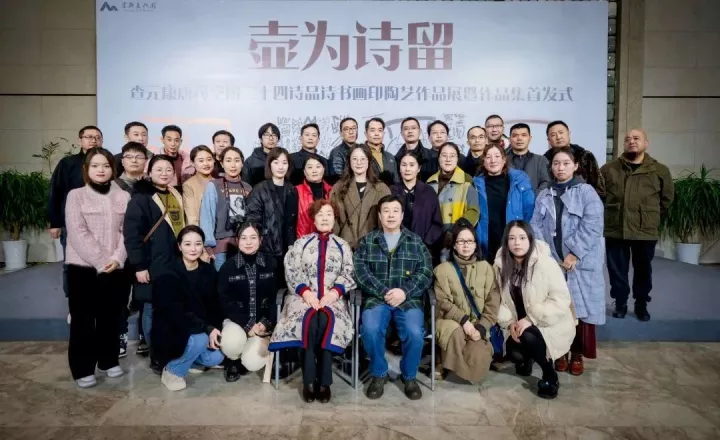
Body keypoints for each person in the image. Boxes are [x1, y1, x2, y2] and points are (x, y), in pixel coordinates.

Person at [270, 200, 356, 403]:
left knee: (326, 322)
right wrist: (307, 293)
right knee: (308, 323)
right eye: (320, 214)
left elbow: (349, 272)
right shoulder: (301, 243)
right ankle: (309, 381)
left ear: (335, 219)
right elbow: (292, 270)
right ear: (313, 219)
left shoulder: (342, 245)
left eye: (329, 214)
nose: (325, 218)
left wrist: (333, 294)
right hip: (302, 297)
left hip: (332, 298)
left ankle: (324, 382)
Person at [531, 147, 605, 375]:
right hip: (553, 261)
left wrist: (574, 253)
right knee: (558, 308)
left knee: (579, 310)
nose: (560, 168)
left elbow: (593, 225)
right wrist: (547, 255)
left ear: (575, 166)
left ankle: (577, 354)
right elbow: (535, 225)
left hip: (580, 263)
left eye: (565, 163)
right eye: (556, 164)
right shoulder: (545, 195)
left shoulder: (587, 192)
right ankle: (560, 352)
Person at [354, 195, 433, 401]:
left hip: (409, 298)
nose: (391, 215)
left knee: (415, 333)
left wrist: (404, 291)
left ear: (402, 215)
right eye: (386, 211)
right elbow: (360, 272)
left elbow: (425, 271)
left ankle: (409, 376)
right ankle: (379, 373)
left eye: (395, 211)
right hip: (377, 298)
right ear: (380, 216)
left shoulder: (415, 241)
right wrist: (383, 292)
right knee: (370, 329)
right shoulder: (368, 241)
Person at [64, 147, 129, 388]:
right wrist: (102, 261)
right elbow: (77, 232)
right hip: (83, 267)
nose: (101, 170)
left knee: (110, 317)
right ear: (86, 169)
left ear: (112, 169)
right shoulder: (76, 196)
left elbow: (127, 232)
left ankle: (108, 360)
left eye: (105, 165)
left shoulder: (123, 196)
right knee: (83, 319)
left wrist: (118, 258)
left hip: (116, 266)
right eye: (95, 165)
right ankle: (82, 368)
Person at [494, 221, 576, 399]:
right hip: (517, 322)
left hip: (548, 322)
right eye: (512, 238)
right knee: (514, 354)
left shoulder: (546, 263)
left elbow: (561, 299)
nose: (517, 243)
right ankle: (528, 358)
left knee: (528, 336)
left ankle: (549, 375)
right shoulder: (501, 265)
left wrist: (530, 319)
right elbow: (500, 300)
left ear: (530, 239)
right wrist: (509, 323)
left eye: (522, 238)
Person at [601, 129, 674, 321]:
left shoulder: (659, 170)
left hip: (645, 229)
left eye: (636, 138)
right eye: (628, 139)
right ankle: (620, 303)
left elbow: (666, 199)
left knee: (643, 269)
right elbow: (600, 196)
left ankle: (641, 304)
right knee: (617, 270)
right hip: (616, 228)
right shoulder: (609, 169)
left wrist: (649, 216)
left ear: (646, 143)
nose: (631, 141)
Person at [124, 154, 185, 374]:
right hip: (151, 263)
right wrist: (139, 265)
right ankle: (156, 355)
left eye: (168, 169)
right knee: (151, 309)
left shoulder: (175, 194)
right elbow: (132, 235)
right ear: (149, 173)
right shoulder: (141, 198)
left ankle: (170, 350)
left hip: (174, 262)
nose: (164, 173)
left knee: (171, 308)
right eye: (159, 169)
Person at [152, 226, 224, 391]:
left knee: (216, 357)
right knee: (199, 339)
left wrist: (214, 329)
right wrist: (205, 329)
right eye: (187, 244)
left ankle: (190, 360)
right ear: (179, 246)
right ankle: (172, 371)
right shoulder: (167, 272)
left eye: (198, 244)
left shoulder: (208, 270)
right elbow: (174, 312)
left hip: (198, 328)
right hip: (173, 330)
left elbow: (214, 305)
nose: (193, 249)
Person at [434, 220, 500, 383]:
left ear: (476, 245)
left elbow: (492, 303)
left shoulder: (486, 268)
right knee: (456, 334)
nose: (465, 245)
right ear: (454, 245)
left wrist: (482, 327)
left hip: (478, 321)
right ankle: (443, 363)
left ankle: (458, 364)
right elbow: (443, 302)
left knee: (478, 355)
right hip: (450, 321)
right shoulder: (442, 270)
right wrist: (463, 321)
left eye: (470, 241)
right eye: (461, 241)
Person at [217, 222, 278, 382]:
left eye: (253, 237)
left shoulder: (271, 263)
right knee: (231, 343)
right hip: (237, 321)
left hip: (262, 324)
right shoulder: (227, 267)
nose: (248, 242)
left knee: (252, 362)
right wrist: (247, 323)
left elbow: (275, 298)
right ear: (237, 241)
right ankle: (232, 361)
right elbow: (224, 301)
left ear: (260, 240)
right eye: (244, 238)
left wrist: (265, 322)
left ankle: (246, 357)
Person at [48, 125, 104, 300]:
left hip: (102, 222)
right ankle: (74, 301)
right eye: (89, 137)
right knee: (73, 263)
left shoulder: (107, 163)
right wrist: (55, 223)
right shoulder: (68, 163)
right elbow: (56, 192)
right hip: (73, 222)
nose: (93, 140)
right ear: (80, 140)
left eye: (97, 137)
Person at [113, 141, 149, 358]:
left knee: (145, 294)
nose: (134, 160)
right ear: (122, 160)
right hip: (120, 249)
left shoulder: (151, 185)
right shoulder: (113, 186)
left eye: (139, 157)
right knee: (121, 296)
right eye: (129, 156)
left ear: (146, 161)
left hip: (146, 250)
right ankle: (120, 336)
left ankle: (146, 336)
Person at [474, 143, 535, 261]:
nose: (493, 160)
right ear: (483, 161)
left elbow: (530, 210)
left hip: (514, 241)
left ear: (504, 160)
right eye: (488, 157)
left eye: (497, 156)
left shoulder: (519, 180)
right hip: (487, 242)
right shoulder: (476, 184)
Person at [246, 147, 297, 284]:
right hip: (266, 250)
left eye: (284, 162)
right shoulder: (259, 189)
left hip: (288, 249)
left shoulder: (292, 189)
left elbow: (292, 222)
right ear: (269, 165)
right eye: (276, 162)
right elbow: (252, 220)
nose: (281, 166)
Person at [200, 147, 252, 271]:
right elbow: (207, 216)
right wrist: (208, 246)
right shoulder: (214, 185)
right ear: (222, 164)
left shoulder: (248, 188)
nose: (233, 165)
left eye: (237, 160)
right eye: (228, 160)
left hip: (245, 245)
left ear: (242, 163)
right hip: (221, 248)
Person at [329, 145, 391, 249]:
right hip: (345, 246)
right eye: (354, 159)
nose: (359, 162)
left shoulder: (381, 188)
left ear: (369, 161)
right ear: (349, 162)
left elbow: (387, 221)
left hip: (373, 246)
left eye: (363, 159)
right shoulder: (338, 187)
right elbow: (333, 220)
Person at [390, 151, 443, 250]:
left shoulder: (429, 192)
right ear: (399, 168)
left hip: (423, 248)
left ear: (419, 168)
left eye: (412, 165)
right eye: (404, 165)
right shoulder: (392, 191)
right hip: (396, 248)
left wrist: (425, 244)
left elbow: (437, 223)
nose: (407, 169)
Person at [427, 142, 480, 231]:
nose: (448, 159)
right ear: (439, 158)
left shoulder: (466, 180)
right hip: (433, 236)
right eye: (444, 155)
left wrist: (457, 230)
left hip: (458, 234)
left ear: (457, 159)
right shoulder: (430, 183)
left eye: (452, 156)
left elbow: (473, 211)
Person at [544, 120, 605, 197]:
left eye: (561, 132)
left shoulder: (585, 155)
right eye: (553, 135)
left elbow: (598, 186)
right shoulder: (544, 160)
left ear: (569, 133)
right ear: (548, 140)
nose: (558, 137)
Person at [294, 154, 333, 237]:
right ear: (304, 171)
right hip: (304, 240)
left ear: (323, 169)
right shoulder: (296, 191)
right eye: (310, 167)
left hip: (328, 239)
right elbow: (290, 223)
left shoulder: (332, 190)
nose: (314, 171)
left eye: (318, 167)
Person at [506, 123, 550, 194]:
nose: (519, 139)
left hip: (536, 200)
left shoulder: (541, 160)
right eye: (515, 136)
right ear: (509, 139)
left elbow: (546, 182)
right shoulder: (502, 161)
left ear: (530, 138)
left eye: (524, 135)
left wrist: (532, 197)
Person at [393, 117, 437, 181]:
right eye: (406, 129)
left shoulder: (432, 157)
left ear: (419, 131)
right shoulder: (395, 160)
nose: (410, 131)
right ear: (402, 133)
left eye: (413, 128)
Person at [182, 145, 216, 226]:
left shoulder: (219, 183)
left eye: (209, 159)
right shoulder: (188, 185)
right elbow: (192, 217)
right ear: (192, 163)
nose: (206, 163)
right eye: (201, 161)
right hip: (200, 229)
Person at [243, 122, 280, 187]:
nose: (271, 138)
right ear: (260, 139)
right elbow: (246, 185)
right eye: (267, 135)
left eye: (274, 135)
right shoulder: (251, 161)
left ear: (278, 139)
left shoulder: (283, 159)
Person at [364, 117, 398, 186]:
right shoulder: (360, 155)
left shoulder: (390, 157)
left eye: (380, 130)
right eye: (372, 130)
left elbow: (396, 181)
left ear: (383, 133)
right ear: (366, 133)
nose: (377, 134)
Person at [328, 117, 359, 184]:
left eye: (354, 128)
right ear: (341, 133)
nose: (351, 132)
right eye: (346, 129)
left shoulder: (362, 149)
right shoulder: (336, 152)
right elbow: (338, 178)